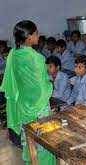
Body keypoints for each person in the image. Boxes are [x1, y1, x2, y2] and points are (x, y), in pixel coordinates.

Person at [0, 20, 56, 165]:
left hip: (23, 106)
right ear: (29, 37)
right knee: (43, 141)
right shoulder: (36, 58)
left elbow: (12, 81)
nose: (39, 35)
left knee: (29, 140)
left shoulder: (12, 53)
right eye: (36, 33)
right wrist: (50, 84)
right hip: (38, 107)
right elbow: (40, 88)